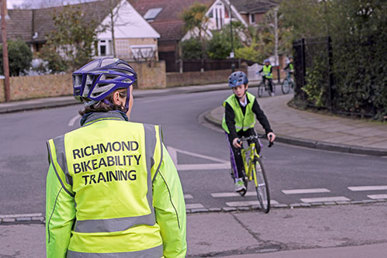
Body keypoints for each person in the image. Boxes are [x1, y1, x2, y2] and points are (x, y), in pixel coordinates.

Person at [46, 57, 186, 257]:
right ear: (118, 97)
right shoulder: (149, 139)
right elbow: (171, 210)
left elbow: (57, 222)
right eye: (130, 93)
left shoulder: (64, 148)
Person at [222, 71, 276, 193]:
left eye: (240, 87)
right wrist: (234, 138)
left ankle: (255, 163)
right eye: (235, 88)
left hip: (247, 128)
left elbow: (260, 115)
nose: (238, 91)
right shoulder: (230, 103)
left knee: (256, 145)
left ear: (246, 87)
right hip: (233, 130)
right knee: (236, 152)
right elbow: (230, 122)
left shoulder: (251, 99)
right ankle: (238, 179)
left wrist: (269, 131)